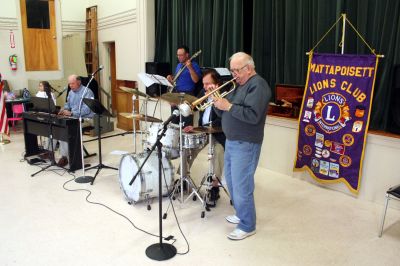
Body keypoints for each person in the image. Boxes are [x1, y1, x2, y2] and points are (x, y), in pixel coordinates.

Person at [213, 52, 271, 240]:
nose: (234, 75)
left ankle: (248, 225)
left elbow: (253, 116)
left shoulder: (258, 86)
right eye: (232, 70)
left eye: (237, 70)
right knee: (230, 180)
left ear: (249, 68)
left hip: (246, 143)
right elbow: (224, 113)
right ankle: (240, 212)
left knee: (242, 185)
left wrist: (228, 106)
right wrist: (216, 102)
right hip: (232, 140)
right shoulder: (238, 85)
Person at [183, 69, 226, 205]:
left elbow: (224, 120)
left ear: (217, 84)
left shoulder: (225, 97)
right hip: (203, 130)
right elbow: (193, 107)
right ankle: (184, 178)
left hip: (219, 133)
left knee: (218, 152)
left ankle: (214, 187)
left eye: (208, 84)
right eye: (204, 84)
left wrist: (215, 100)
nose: (204, 87)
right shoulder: (203, 92)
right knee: (187, 147)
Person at [57, 75, 94, 167]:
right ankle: (49, 151)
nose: (70, 86)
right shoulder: (70, 93)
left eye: (72, 83)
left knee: (67, 130)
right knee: (56, 127)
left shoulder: (87, 92)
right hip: (73, 117)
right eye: (69, 84)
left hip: (85, 118)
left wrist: (71, 113)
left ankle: (66, 157)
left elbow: (87, 110)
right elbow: (67, 105)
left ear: (79, 82)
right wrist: (64, 111)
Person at [167, 45, 202, 128]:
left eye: (181, 55)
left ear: (187, 55)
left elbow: (196, 80)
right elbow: (176, 81)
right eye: (178, 55)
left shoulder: (194, 65)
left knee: (186, 122)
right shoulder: (179, 65)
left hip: (188, 95)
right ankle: (176, 140)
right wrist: (171, 79)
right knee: (174, 120)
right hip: (177, 94)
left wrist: (190, 67)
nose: (179, 57)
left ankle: (185, 140)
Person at [36, 81, 57, 159]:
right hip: (41, 114)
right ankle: (47, 150)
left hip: (49, 115)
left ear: (46, 86)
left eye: (41, 86)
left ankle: (49, 151)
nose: (40, 87)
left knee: (51, 131)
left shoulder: (50, 94)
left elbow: (53, 106)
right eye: (39, 85)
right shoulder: (38, 94)